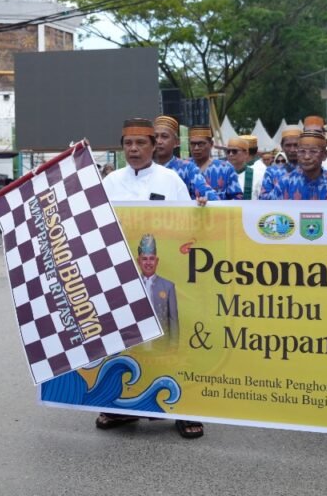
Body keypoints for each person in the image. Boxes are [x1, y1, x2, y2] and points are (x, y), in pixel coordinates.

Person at [97, 118, 205, 439]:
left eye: (140, 143)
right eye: (127, 143)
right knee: (124, 340)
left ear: (153, 145)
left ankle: (182, 410)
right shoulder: (110, 182)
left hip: (164, 272)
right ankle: (119, 408)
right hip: (122, 275)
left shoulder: (171, 180)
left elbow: (190, 225)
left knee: (170, 339)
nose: (133, 149)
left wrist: (201, 209)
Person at [260, 130, 327, 201]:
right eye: (302, 151)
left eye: (313, 151)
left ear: (324, 155)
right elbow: (265, 209)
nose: (306, 157)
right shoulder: (286, 183)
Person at [152, 115, 217, 201]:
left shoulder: (187, 168)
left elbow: (211, 197)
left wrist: (203, 201)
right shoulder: (144, 168)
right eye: (155, 137)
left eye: (164, 136)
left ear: (176, 142)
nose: (159, 141)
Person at [137, 234, 178, 342]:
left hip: (161, 345)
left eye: (152, 259)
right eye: (144, 259)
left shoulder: (168, 286)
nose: (148, 263)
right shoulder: (132, 286)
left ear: (157, 261)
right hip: (138, 344)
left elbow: (173, 320)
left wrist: (174, 346)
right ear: (139, 261)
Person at [186, 125, 241, 200]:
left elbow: (237, 199)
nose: (196, 148)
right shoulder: (184, 167)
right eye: (192, 144)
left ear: (211, 144)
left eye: (201, 144)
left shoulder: (226, 168)